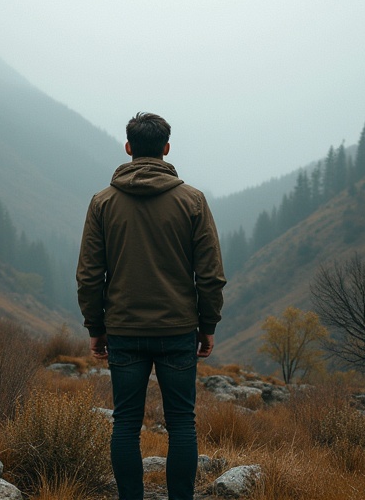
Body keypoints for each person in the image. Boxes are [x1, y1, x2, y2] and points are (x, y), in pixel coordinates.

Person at [76, 112, 226, 500]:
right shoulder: (192, 201)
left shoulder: (102, 203)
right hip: (178, 331)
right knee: (181, 424)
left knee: (125, 423)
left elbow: (90, 275)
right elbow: (209, 274)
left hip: (124, 331)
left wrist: (96, 328)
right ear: (166, 148)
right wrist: (207, 325)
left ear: (128, 148)